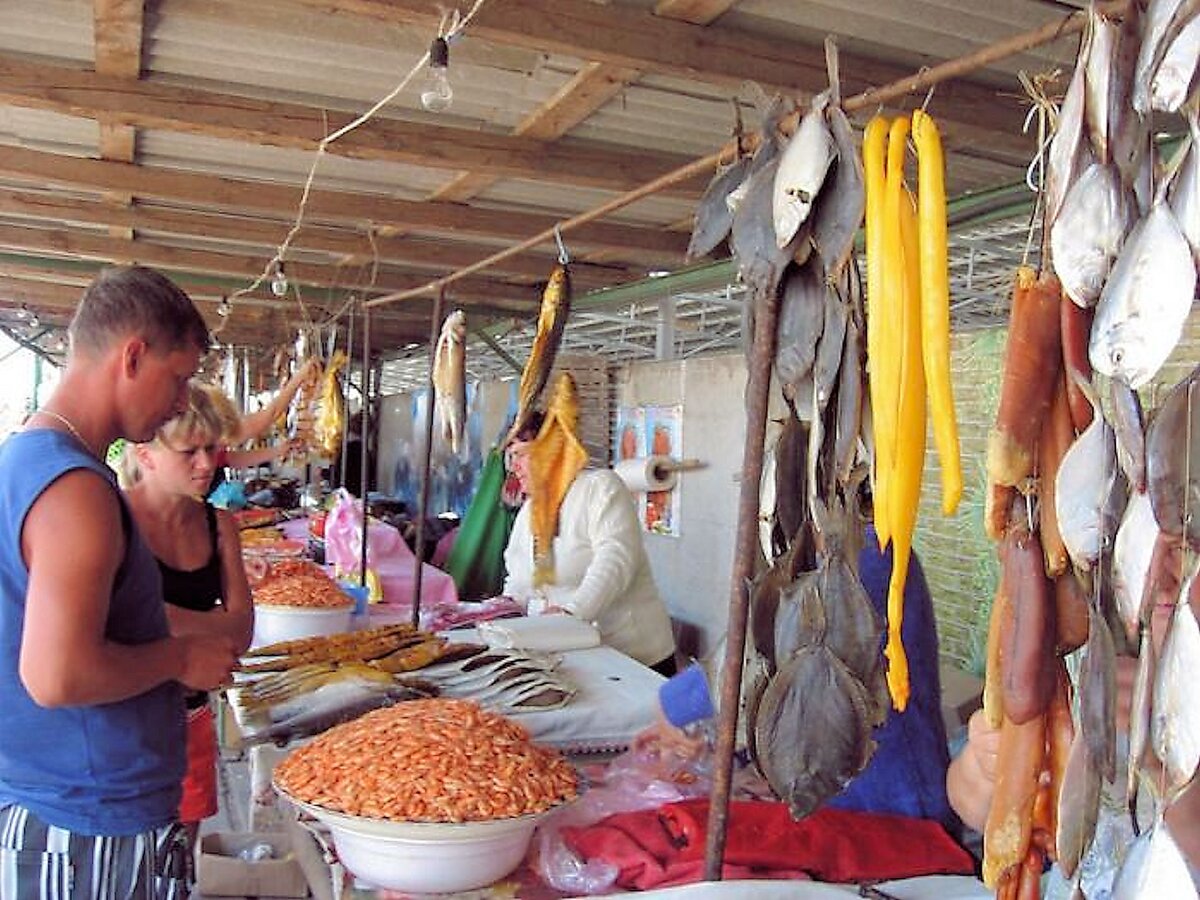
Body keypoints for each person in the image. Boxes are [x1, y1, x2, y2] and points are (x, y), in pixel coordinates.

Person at [0, 265, 239, 898]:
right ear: (133, 356)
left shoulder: (24, 460)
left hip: (58, 797)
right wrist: (180, 656)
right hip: (85, 821)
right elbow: (57, 676)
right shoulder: (75, 490)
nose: (183, 400)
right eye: (180, 377)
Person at [654, 520, 956, 830]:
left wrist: (673, 705)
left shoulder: (871, 554)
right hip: (840, 802)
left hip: (899, 813)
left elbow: (763, 650)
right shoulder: (821, 552)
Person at [120, 383, 255, 862]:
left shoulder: (220, 525)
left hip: (193, 717)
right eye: (189, 451)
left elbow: (241, 633)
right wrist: (205, 623)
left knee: (177, 859)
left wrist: (153, 617)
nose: (206, 464)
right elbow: (99, 622)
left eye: (212, 449)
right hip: (124, 719)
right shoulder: (113, 519)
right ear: (147, 456)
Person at [501, 413, 677, 674]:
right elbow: (519, 580)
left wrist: (572, 615)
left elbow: (615, 559)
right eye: (511, 457)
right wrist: (499, 611)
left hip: (635, 658)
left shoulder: (600, 488)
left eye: (521, 454)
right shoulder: (530, 513)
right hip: (576, 655)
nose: (514, 467)